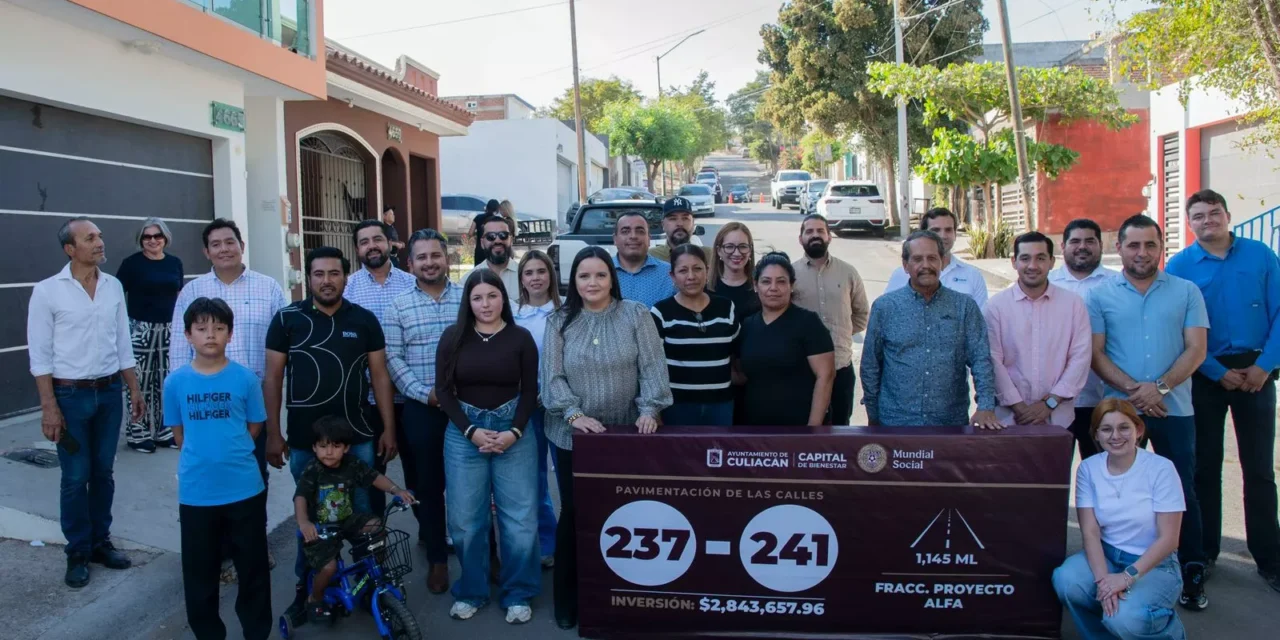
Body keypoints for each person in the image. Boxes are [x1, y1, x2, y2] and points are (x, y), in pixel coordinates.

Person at [263, 246, 399, 620]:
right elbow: (273, 379)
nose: (327, 281)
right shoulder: (287, 319)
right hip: (307, 442)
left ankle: (373, 585)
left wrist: (388, 429)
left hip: (359, 437)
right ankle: (308, 587)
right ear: (309, 278)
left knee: (365, 513)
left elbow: (380, 376)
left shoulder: (366, 320)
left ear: (345, 276)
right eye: (319, 274)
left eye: (334, 273)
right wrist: (274, 433)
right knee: (311, 519)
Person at [542, 246, 672, 629]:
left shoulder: (635, 314)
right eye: (584, 276)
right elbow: (551, 379)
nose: (592, 282)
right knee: (576, 514)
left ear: (611, 278)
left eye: (600, 275)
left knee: (625, 517)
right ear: (574, 281)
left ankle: (624, 599)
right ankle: (569, 600)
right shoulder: (559, 322)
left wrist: (650, 409)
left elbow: (652, 367)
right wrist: (574, 414)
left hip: (626, 437)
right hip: (573, 438)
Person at [1087, 213, 1209, 611]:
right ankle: (1113, 569)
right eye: (1134, 245)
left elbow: (1196, 349)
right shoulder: (1100, 295)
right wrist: (1134, 392)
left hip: (1173, 408)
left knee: (1182, 489)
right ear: (1118, 247)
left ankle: (1191, 567)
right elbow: (1096, 353)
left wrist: (1157, 388)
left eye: (1150, 244)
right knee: (1119, 490)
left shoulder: (1187, 290)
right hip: (1119, 414)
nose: (1142, 252)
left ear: (1161, 248)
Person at [1167, 189, 1280, 592]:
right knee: (1204, 468)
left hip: (1257, 372)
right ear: (1190, 222)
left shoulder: (1261, 255)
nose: (1208, 220)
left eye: (1214, 213)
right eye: (1199, 215)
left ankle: (1269, 558)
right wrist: (1214, 370)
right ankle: (1206, 553)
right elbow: (1177, 328)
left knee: (1260, 470)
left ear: (1228, 216)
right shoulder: (1180, 266)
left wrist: (1265, 365)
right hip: (1204, 374)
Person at [28, 217, 144, 588]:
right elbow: (40, 356)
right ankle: (77, 550)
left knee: (103, 473)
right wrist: (49, 406)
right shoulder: (48, 292)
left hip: (110, 393)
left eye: (99, 236)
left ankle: (99, 543)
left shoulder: (113, 286)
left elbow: (122, 343)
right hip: (70, 396)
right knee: (75, 477)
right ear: (70, 249)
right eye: (89, 237)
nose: (99, 242)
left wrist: (135, 389)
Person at [436, 269, 541, 624]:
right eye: (477, 297)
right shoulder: (452, 338)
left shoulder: (521, 338)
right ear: (468, 301)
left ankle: (519, 592)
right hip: (464, 435)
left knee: (520, 519)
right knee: (466, 520)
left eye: (492, 296)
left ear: (503, 298)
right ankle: (472, 591)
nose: (485, 304)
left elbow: (530, 391)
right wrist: (470, 432)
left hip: (514, 433)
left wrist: (514, 430)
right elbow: (444, 393)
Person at [163, 297, 271, 640]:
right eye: (202, 328)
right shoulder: (175, 383)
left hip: (244, 489)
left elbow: (254, 428)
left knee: (252, 569)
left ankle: (256, 631)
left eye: (219, 328)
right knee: (199, 573)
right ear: (188, 335)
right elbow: (180, 435)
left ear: (230, 334)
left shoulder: (245, 380)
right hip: (197, 492)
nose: (211, 334)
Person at [1052, 399, 1187, 640]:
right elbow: (1090, 532)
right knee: (1067, 581)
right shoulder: (1089, 469)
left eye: (1124, 427)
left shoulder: (1161, 469)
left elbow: (1169, 539)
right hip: (1107, 554)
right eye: (1106, 429)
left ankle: (1169, 633)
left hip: (1154, 563)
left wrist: (1125, 578)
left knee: (1127, 618)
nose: (1116, 436)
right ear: (1096, 435)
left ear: (1139, 430)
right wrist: (1105, 582)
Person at [170, 219, 289, 483]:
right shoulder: (192, 291)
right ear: (206, 252)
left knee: (253, 472)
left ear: (241, 246)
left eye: (229, 242)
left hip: (253, 400)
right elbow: (179, 352)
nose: (223, 249)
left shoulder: (268, 288)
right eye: (215, 244)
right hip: (204, 401)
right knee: (208, 473)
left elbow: (284, 346)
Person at [383, 228, 461, 594]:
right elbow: (392, 359)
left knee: (472, 485)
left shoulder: (467, 298)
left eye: (436, 255)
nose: (430, 262)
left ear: (447, 259)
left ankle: (484, 552)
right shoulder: (398, 305)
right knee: (428, 487)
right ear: (410, 263)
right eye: (422, 257)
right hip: (422, 407)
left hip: (467, 409)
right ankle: (437, 560)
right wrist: (423, 393)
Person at [861, 231, 1000, 429]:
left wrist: (986, 406)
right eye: (917, 259)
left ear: (942, 262)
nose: (925, 265)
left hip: (949, 423)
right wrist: (873, 415)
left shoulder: (964, 307)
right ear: (905, 265)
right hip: (896, 423)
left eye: (932, 258)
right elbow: (870, 366)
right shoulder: (885, 307)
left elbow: (981, 359)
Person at [294, 416, 415, 623]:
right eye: (323, 447)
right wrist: (304, 523)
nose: (329, 452)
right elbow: (301, 497)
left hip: (347, 519)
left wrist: (396, 490)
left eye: (336, 446)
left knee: (377, 528)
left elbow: (375, 477)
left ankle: (373, 574)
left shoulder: (352, 464)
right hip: (321, 528)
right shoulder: (313, 470)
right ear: (314, 448)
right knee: (329, 568)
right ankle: (315, 596)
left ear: (347, 448)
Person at [345, 219, 416, 515]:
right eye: (364, 241)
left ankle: (430, 530)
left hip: (412, 396)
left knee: (420, 470)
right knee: (372, 472)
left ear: (390, 243)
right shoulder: (348, 289)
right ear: (358, 249)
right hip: (369, 401)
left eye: (377, 239)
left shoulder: (411, 283)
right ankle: (375, 541)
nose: (371, 245)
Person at [984, 231, 1092, 428]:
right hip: (1009, 420)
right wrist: (1018, 407)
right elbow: (993, 360)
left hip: (1059, 419)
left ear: (1051, 262)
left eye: (1040, 258)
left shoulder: (1073, 304)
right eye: (1025, 258)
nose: (1033, 266)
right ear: (1013, 262)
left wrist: (1049, 403)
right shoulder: (995, 307)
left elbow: (1080, 357)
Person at [1049, 218, 1121, 457]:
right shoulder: (1045, 284)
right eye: (1075, 241)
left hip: (1103, 400)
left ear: (1101, 245)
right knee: (1055, 477)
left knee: (1103, 474)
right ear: (1062, 246)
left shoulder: (1117, 284)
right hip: (1054, 402)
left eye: (1090, 241)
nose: (1082, 247)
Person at [737, 252, 835, 426]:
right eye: (766, 281)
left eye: (781, 281)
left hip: (798, 428)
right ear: (755, 285)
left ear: (791, 285)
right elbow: (741, 374)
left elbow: (825, 376)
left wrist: (812, 428)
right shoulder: (747, 325)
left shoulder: (808, 323)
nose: (773, 288)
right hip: (753, 427)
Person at [792, 215, 870, 425]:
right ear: (801, 239)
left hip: (841, 367)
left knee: (840, 428)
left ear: (829, 237)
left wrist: (840, 334)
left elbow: (861, 313)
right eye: (809, 232)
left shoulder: (848, 272)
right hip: (803, 371)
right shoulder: (790, 275)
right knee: (805, 430)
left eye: (820, 231)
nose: (815, 235)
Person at [651, 244, 741, 426]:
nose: (691, 276)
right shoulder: (661, 312)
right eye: (683, 270)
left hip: (721, 406)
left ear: (707, 271)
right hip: (677, 407)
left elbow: (735, 356)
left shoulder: (726, 308)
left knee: (718, 453)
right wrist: (655, 411)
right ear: (672, 276)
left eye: (697, 269)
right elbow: (652, 367)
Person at [116, 218, 184, 453]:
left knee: (166, 380)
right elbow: (116, 297)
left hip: (168, 329)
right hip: (139, 329)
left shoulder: (175, 263)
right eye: (147, 236)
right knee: (139, 381)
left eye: (158, 236)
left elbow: (179, 295)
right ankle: (138, 431)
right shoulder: (131, 264)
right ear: (140, 240)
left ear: (165, 238)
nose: (153, 240)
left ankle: (165, 430)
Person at [512, 250, 561, 569]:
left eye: (541, 271)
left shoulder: (566, 310)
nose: (535, 278)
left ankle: (574, 540)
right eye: (528, 272)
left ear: (550, 275)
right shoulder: (512, 315)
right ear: (521, 280)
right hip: (526, 407)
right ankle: (546, 541)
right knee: (535, 479)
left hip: (560, 405)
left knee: (569, 477)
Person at [885, 207, 988, 309]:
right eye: (935, 230)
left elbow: (980, 320)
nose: (943, 236)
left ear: (955, 234)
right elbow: (887, 313)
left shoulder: (973, 276)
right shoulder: (901, 275)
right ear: (923, 234)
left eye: (948, 230)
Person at [613, 209, 676, 307]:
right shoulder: (602, 273)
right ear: (615, 239)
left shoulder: (669, 273)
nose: (633, 236)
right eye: (625, 231)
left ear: (649, 239)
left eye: (640, 231)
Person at [708, 222, 760, 316]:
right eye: (729, 247)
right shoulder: (707, 290)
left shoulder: (760, 288)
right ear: (719, 250)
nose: (737, 253)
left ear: (750, 250)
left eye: (743, 246)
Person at [468, 215, 520, 296]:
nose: (497, 240)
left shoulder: (524, 275)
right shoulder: (468, 280)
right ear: (482, 243)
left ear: (511, 240)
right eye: (490, 236)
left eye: (503, 235)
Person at [648, 196, 695, 263]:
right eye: (673, 219)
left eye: (685, 218)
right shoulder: (651, 257)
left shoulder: (707, 256)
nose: (680, 223)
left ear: (693, 223)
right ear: (663, 224)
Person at [472, 199, 501, 265]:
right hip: (492, 248)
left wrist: (478, 234)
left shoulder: (478, 217)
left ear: (487, 207)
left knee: (479, 271)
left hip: (479, 249)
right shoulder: (496, 220)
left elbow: (470, 233)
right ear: (497, 209)